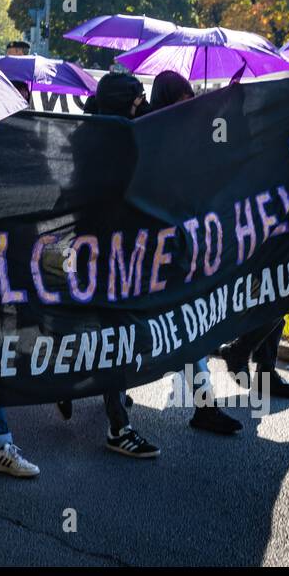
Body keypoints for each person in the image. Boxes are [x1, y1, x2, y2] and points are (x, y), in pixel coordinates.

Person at [60, 69, 168, 453]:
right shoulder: (110, 144)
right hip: (106, 257)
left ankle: (73, 383)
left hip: (111, 255)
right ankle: (118, 426)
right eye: (138, 100)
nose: (144, 106)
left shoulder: (96, 136)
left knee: (107, 332)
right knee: (119, 336)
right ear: (126, 103)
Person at [143, 70, 245, 435]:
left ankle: (204, 406)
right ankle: (101, 394)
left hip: (178, 249)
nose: (187, 107)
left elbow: (215, 150)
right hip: (147, 253)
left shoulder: (181, 131)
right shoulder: (148, 133)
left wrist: (227, 101)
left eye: (191, 99)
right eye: (182, 100)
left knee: (185, 326)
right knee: (130, 329)